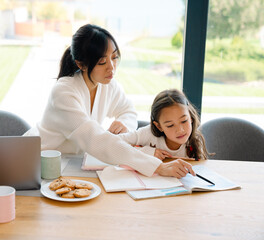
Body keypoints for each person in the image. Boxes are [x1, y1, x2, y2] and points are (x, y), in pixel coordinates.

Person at [25, 24, 194, 178]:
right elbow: (96, 140)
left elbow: (128, 111)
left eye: (114, 57)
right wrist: (158, 167)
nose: (111, 67)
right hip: (37, 165)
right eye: (102, 62)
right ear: (81, 64)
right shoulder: (63, 93)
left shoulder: (107, 85)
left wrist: (124, 125)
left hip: (75, 164)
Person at [119, 89, 209, 169]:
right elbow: (115, 143)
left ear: (191, 118)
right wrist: (147, 152)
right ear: (159, 126)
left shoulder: (195, 141)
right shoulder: (147, 134)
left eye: (184, 121)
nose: (180, 130)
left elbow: (200, 169)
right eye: (170, 125)